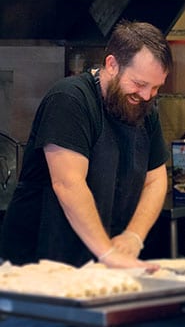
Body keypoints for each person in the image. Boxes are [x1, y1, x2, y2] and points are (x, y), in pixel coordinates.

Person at [0, 20, 171, 270]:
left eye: (155, 88)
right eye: (139, 84)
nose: (146, 96)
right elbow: (68, 184)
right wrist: (109, 253)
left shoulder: (144, 109)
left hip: (96, 262)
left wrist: (134, 236)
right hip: (38, 262)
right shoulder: (70, 99)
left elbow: (156, 179)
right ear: (112, 64)